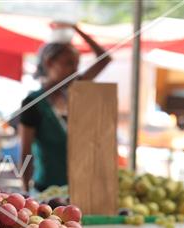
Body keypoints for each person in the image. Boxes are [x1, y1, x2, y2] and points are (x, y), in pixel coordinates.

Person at [16, 23, 112, 192]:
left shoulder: (76, 90)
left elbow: (104, 59)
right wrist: (25, 191)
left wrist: (76, 29)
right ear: (49, 62)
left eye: (77, 64)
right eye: (69, 63)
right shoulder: (33, 103)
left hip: (80, 191)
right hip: (46, 192)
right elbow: (25, 153)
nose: (75, 69)